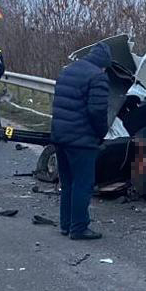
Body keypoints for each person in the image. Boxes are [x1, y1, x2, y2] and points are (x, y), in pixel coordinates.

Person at [50, 41, 110, 240]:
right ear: (104, 63)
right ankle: (79, 228)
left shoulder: (68, 70)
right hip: (81, 140)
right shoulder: (98, 76)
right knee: (83, 184)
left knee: (68, 182)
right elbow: (98, 111)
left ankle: (65, 224)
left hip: (60, 136)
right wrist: (102, 134)